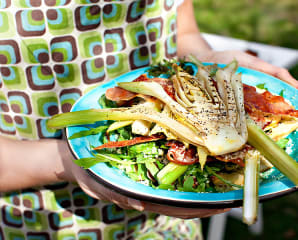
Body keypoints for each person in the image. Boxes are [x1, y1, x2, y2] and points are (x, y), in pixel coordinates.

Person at [0, 0, 297, 239]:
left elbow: (182, 31)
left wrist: (209, 66)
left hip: (164, 226)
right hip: (45, 220)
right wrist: (69, 160)